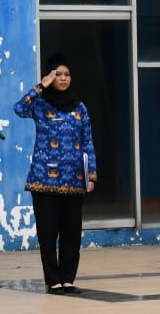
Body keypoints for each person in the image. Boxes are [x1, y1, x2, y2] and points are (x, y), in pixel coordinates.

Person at [13, 52, 97, 294]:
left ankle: (68, 278)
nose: (63, 78)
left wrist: (91, 174)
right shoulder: (40, 104)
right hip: (43, 180)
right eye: (57, 74)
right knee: (48, 233)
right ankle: (53, 280)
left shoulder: (79, 107)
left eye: (66, 74)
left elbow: (88, 142)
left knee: (71, 232)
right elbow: (19, 108)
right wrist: (42, 85)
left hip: (74, 179)